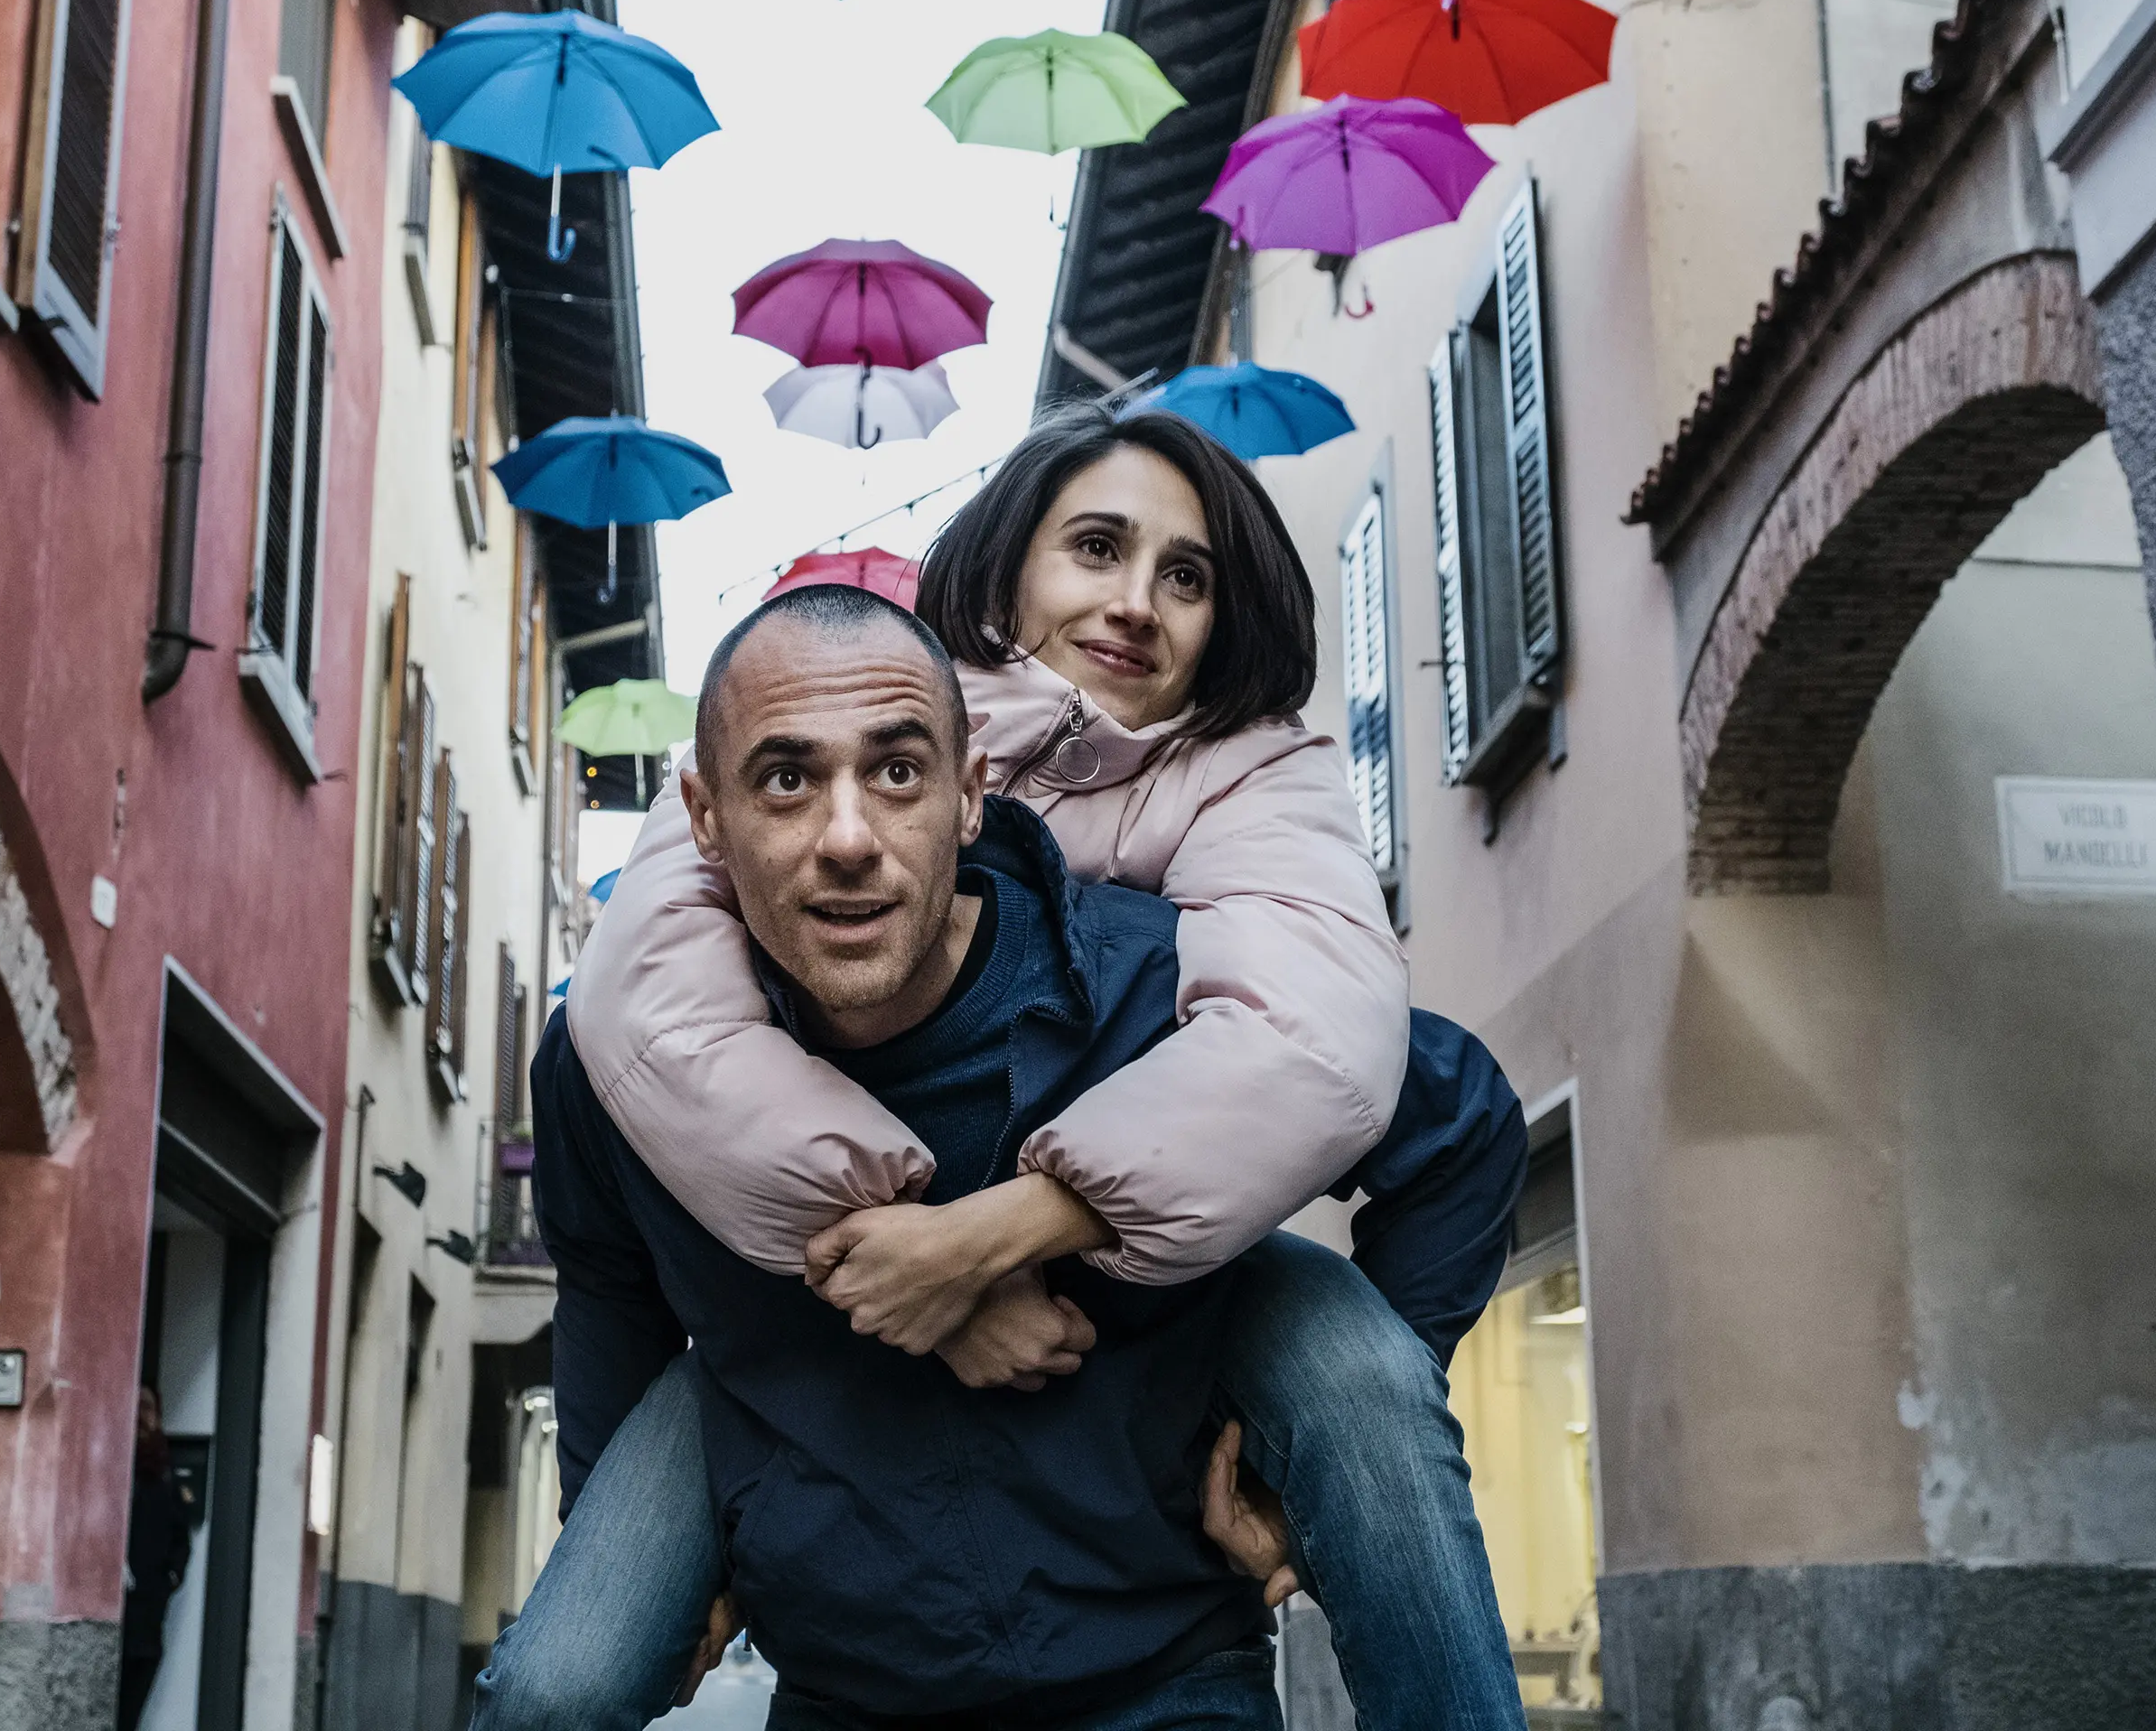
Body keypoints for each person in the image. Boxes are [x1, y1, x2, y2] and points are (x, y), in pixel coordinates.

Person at [522, 402, 1527, 1723]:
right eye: (1097, 547)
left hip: (1184, 1224)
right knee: (557, 1680)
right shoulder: (855, 693)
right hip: (811, 1266)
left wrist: (998, 1237)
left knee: (1360, 1384)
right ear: (1003, 572)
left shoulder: (1251, 784)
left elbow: (1327, 1040)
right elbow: (651, 1004)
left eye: (1187, 576)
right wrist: (896, 1245)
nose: (1137, 604)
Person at [118, 1385, 193, 1731]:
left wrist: (172, 1577)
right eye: (134, 1407)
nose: (140, 1417)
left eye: (147, 1408)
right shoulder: (112, 1465)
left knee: (131, 1711)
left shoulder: (163, 1476)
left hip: (148, 1615)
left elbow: (181, 1539)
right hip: (115, 1610)